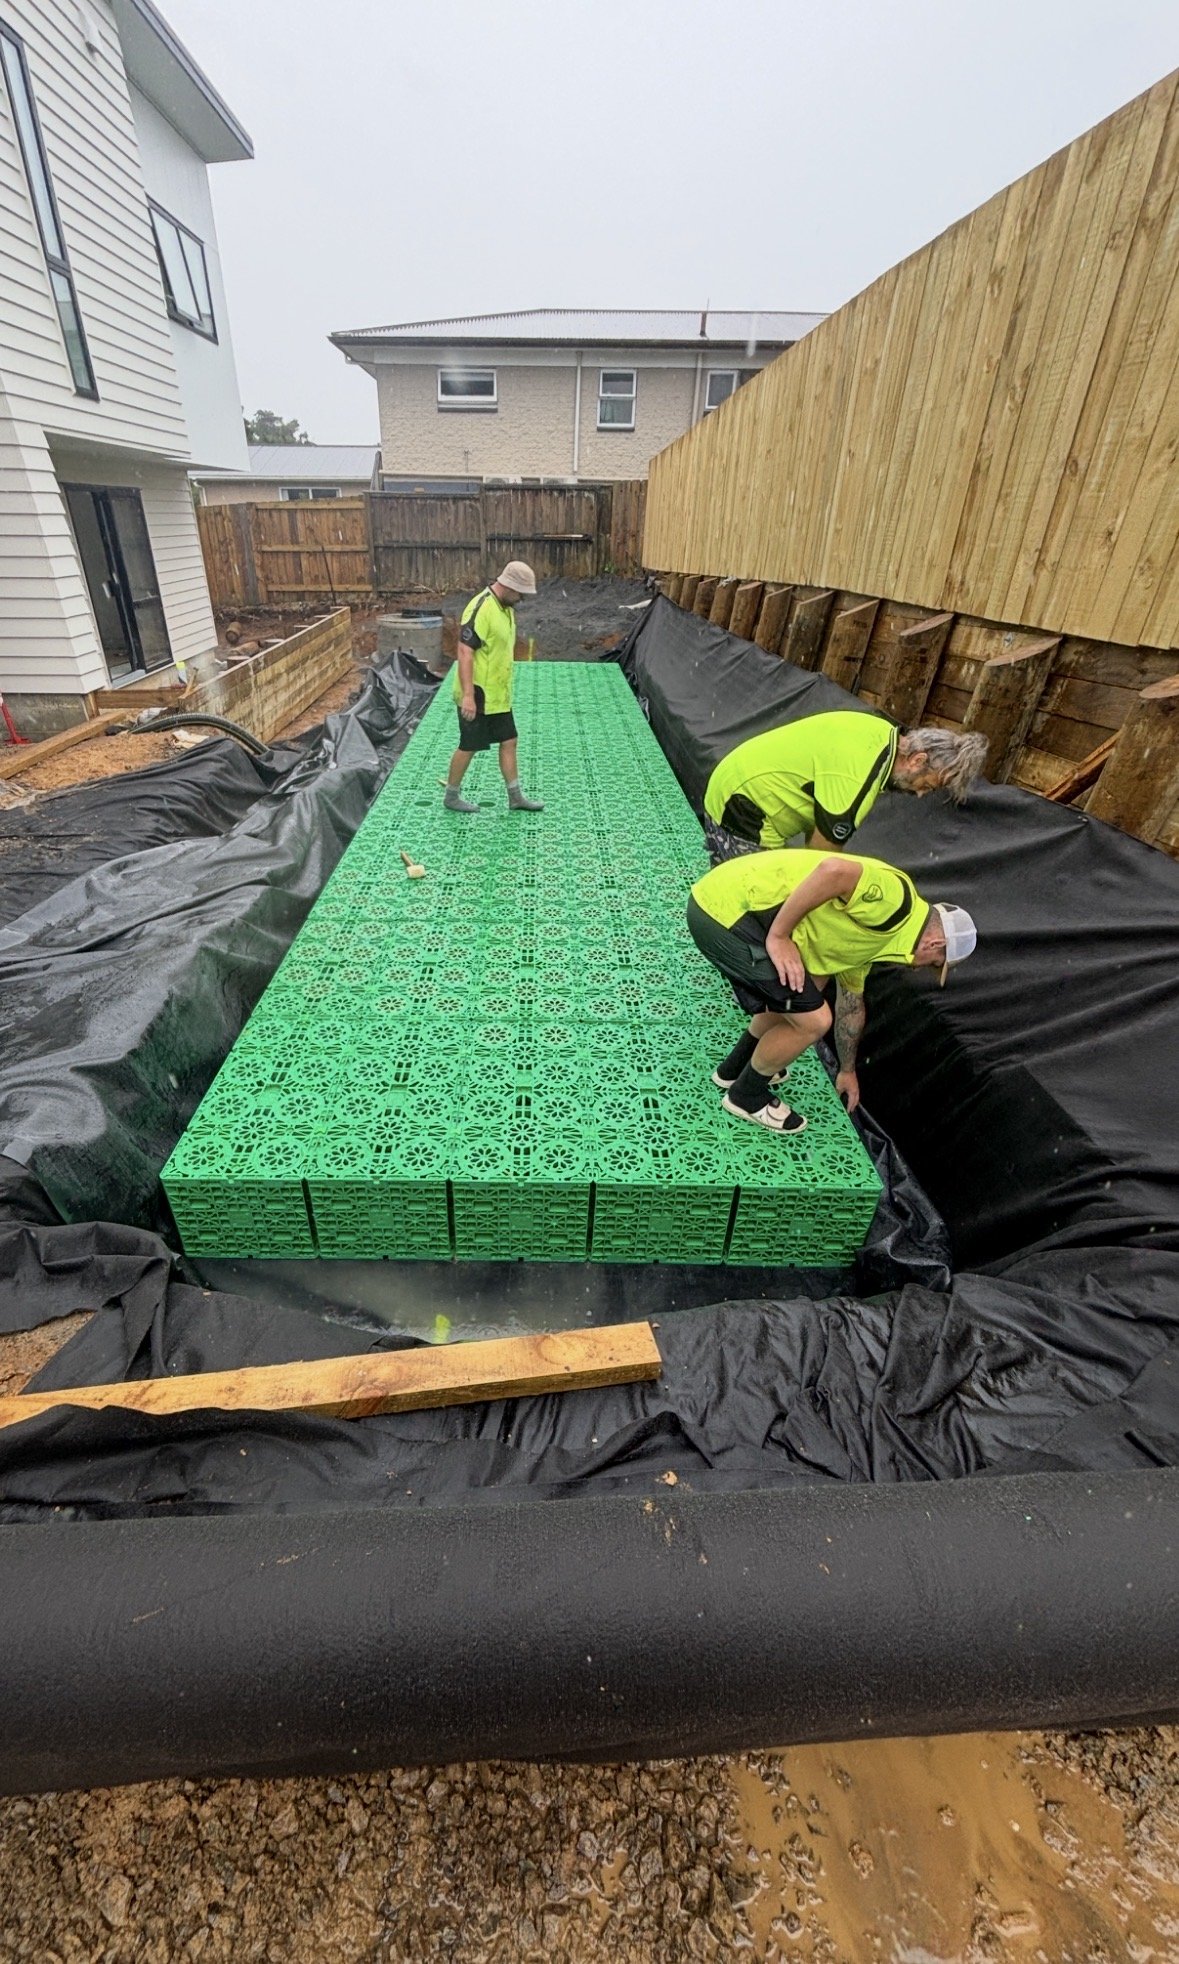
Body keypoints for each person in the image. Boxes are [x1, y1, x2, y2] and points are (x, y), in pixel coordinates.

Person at [687, 848, 976, 1133]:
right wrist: (780, 936)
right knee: (815, 1020)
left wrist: (847, 1070)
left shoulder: (880, 941)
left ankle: (732, 1070)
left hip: (724, 907)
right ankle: (746, 1096)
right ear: (934, 945)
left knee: (799, 999)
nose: (923, 969)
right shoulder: (898, 902)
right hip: (725, 915)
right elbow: (834, 871)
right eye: (934, 965)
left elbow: (851, 1005)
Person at [703, 710, 988, 852]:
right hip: (745, 805)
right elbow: (818, 860)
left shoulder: (878, 731)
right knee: (757, 902)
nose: (921, 795)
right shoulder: (859, 777)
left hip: (737, 777)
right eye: (927, 785)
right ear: (917, 760)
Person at [443, 560, 544, 813]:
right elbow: (465, 651)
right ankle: (451, 797)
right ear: (509, 586)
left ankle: (515, 797)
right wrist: (468, 696)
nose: (521, 598)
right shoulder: (481, 607)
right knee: (469, 745)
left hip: (498, 695)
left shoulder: (506, 608)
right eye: (520, 593)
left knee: (509, 740)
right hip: (477, 693)